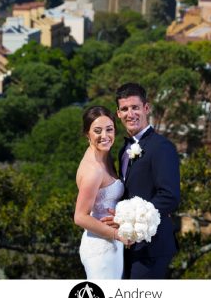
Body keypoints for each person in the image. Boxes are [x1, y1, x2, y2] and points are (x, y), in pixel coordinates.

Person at [108, 82, 180, 279]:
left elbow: (169, 196)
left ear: (146, 108)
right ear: (119, 114)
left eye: (135, 107)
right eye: (124, 109)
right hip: (128, 245)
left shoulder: (162, 147)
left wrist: (130, 221)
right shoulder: (123, 150)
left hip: (153, 246)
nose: (130, 114)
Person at [74, 105, 131, 279]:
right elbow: (80, 217)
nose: (104, 136)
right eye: (97, 131)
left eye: (109, 129)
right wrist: (117, 234)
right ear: (87, 134)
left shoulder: (104, 156)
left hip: (112, 243)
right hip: (101, 248)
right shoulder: (93, 171)